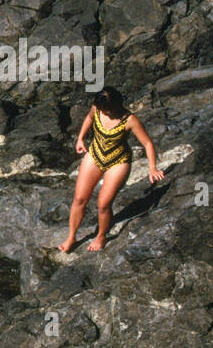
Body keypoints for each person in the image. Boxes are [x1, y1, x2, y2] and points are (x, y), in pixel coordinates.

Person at [58, 87, 164, 253]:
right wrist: (80, 138)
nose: (104, 113)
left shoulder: (130, 120)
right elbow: (88, 118)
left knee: (103, 204)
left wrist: (152, 168)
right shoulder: (97, 108)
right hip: (95, 154)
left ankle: (101, 235)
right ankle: (72, 236)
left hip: (118, 161)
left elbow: (148, 143)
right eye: (102, 110)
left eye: (107, 110)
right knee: (79, 199)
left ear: (116, 105)